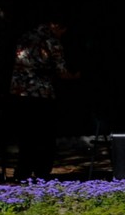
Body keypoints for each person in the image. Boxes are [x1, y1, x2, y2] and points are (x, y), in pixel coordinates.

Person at [8, 18, 80, 179]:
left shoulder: (26, 36)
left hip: (20, 92)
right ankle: (42, 171)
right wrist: (75, 76)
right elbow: (61, 71)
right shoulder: (52, 41)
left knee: (26, 134)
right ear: (57, 26)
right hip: (42, 93)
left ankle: (23, 171)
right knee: (44, 134)